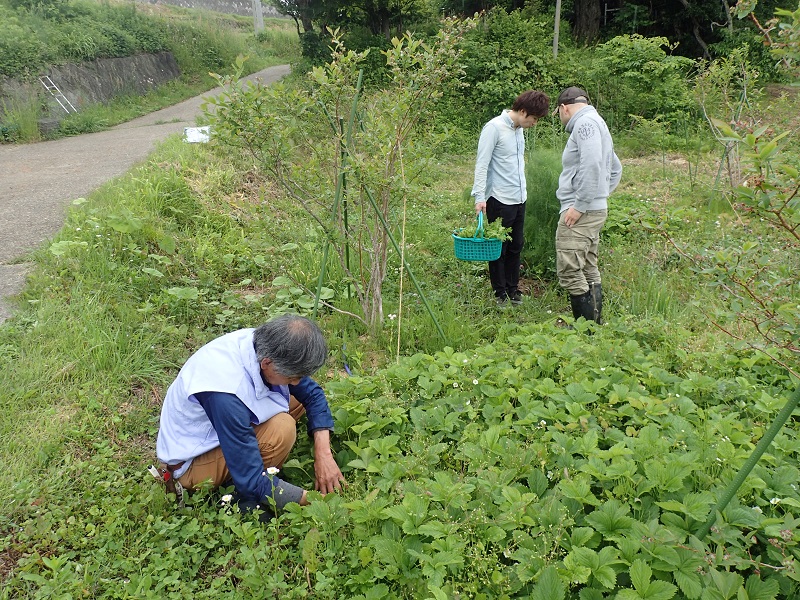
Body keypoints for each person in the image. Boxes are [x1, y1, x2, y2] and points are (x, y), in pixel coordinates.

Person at [155, 314, 345, 515]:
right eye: (292, 377)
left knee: (296, 397)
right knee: (282, 429)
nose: (297, 382)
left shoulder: (263, 343)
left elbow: (312, 394)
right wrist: (318, 500)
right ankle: (239, 497)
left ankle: (253, 476)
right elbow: (252, 481)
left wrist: (323, 454)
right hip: (192, 464)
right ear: (266, 363)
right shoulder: (225, 394)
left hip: (221, 425)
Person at [472, 90, 550, 306]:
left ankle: (513, 289)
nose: (534, 123)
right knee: (499, 248)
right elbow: (482, 164)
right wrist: (480, 197)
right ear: (523, 112)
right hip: (499, 198)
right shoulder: (494, 128)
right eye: (534, 118)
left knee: (516, 245)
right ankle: (500, 293)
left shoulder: (519, 130)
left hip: (519, 197)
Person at [553, 87, 622, 324]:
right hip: (593, 207)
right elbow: (615, 168)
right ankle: (594, 328)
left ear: (564, 108)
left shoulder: (584, 124)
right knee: (587, 266)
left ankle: (586, 331)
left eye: (558, 113)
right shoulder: (597, 123)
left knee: (570, 269)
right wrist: (600, 195)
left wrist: (582, 203)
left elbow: (592, 164)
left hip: (581, 209)